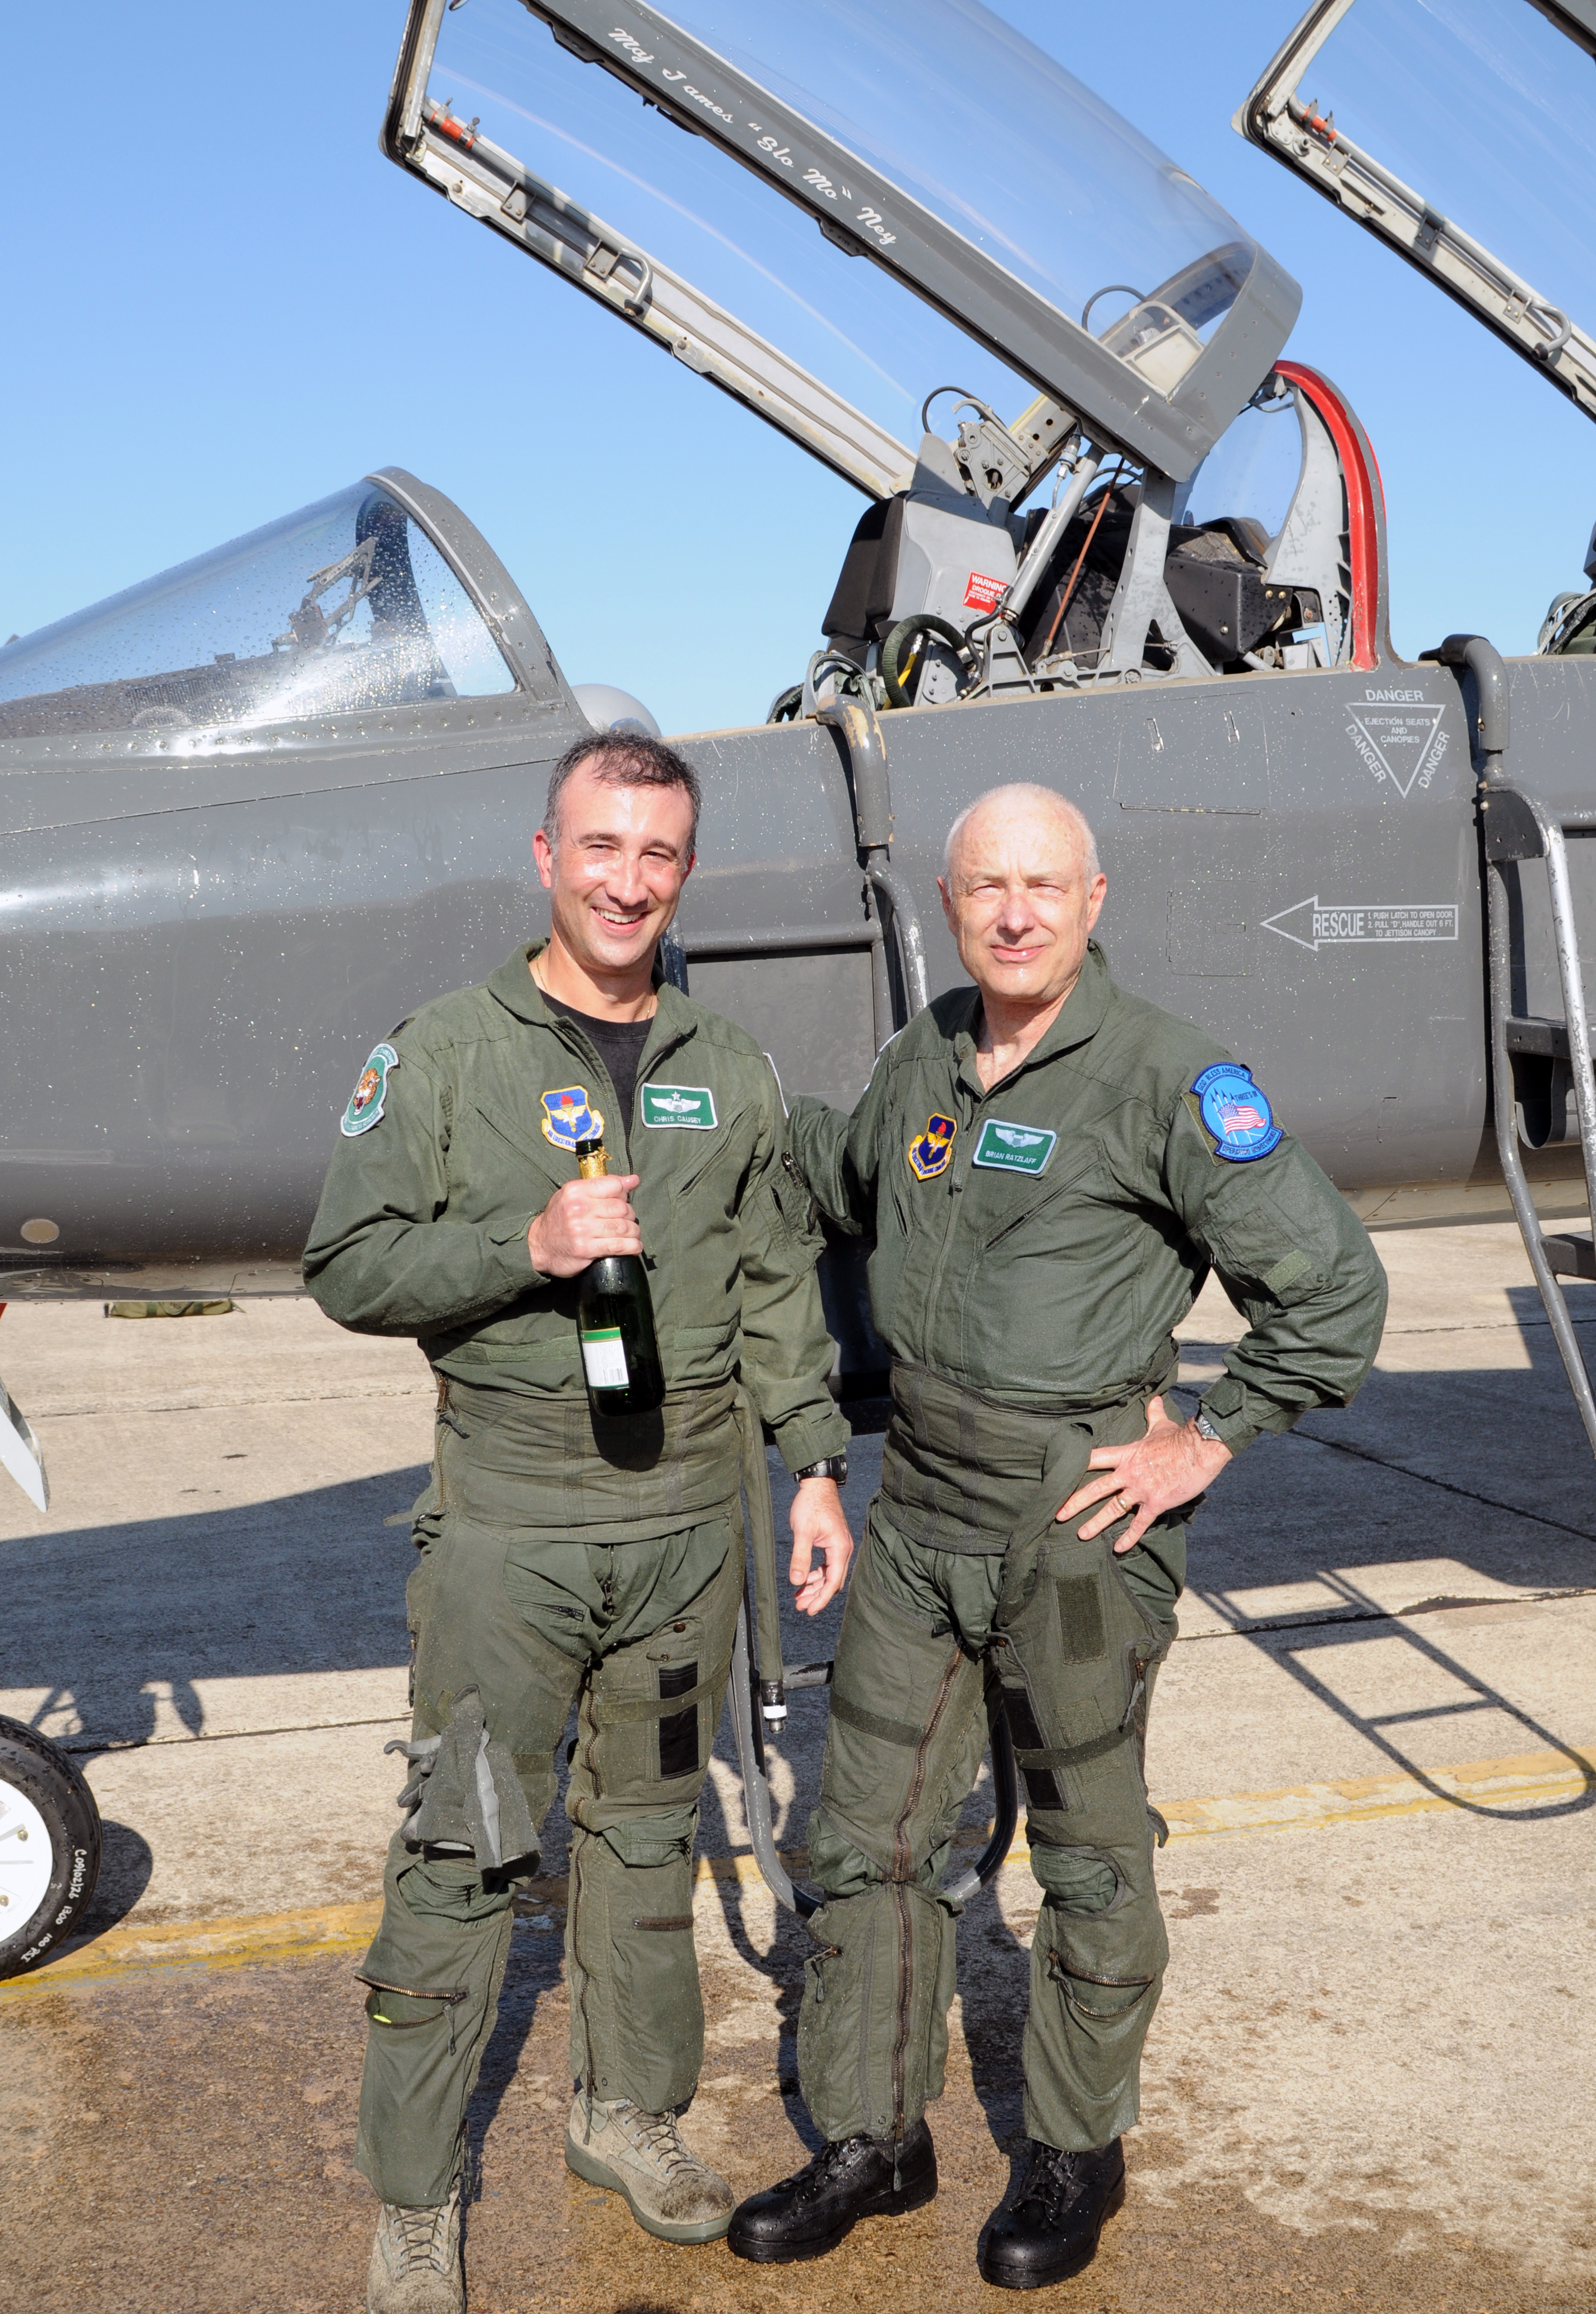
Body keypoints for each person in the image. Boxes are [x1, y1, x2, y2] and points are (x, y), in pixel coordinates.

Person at [726, 782, 1388, 2289]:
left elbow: (1332, 1290)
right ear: (948, 909)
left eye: (1043, 885)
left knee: (1090, 1859)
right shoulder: (926, 1057)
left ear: (1095, 901)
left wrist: (1206, 1437)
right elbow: (836, 1187)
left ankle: (1074, 2148)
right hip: (920, 1518)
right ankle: (876, 2137)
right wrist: (713, 1119)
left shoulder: (1172, 1079)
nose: (1013, 912)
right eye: (985, 889)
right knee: (871, 1842)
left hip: (1074, 1528)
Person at [303, 729, 853, 2314]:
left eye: (659, 854)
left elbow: (771, 1297)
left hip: (688, 1523)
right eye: (600, 848)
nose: (628, 882)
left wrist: (810, 1463)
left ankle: (630, 2115)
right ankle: (415, 2199)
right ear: (546, 856)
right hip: (515, 1523)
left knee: (646, 1834)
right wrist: (521, 1243)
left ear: (688, 870)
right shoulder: (447, 1053)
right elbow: (347, 1264)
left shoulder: (725, 1065)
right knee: (467, 1847)